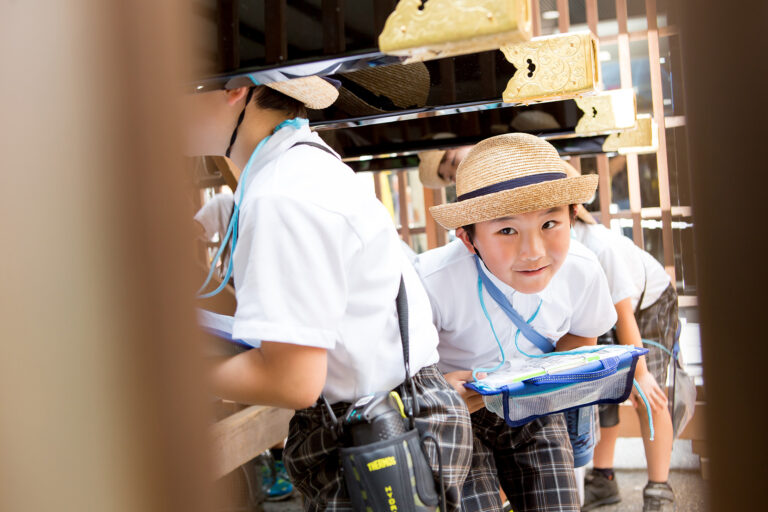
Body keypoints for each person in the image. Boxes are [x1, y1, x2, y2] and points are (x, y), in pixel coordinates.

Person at [183, 76, 473, 511]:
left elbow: (292, 380)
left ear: (235, 87)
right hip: (394, 414)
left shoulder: (281, 193)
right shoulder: (303, 165)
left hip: (371, 430)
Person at [415, 133, 618, 512]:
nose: (533, 252)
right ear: (468, 238)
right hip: (460, 414)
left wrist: (548, 377)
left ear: (573, 215)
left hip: (535, 406)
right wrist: (439, 390)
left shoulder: (583, 270)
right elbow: (403, 371)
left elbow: (580, 337)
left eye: (550, 223)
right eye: (506, 230)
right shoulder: (430, 282)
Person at [564, 163, 677, 512]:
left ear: (575, 209)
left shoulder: (601, 247)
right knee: (602, 390)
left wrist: (639, 372)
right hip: (600, 315)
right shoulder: (546, 246)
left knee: (649, 392)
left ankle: (660, 488)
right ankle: (604, 479)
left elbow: (624, 315)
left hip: (647, 306)